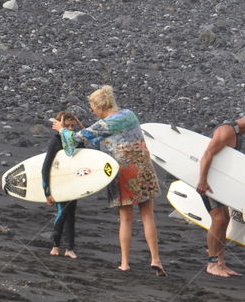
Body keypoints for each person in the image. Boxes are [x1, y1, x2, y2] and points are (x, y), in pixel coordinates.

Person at [55, 86, 166, 275]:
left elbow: (75, 139)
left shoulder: (104, 124)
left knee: (126, 218)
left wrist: (62, 130)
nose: (92, 111)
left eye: (92, 107)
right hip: (144, 167)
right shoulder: (129, 115)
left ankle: (125, 263)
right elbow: (101, 137)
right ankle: (156, 259)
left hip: (123, 172)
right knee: (148, 216)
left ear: (101, 106)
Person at [196, 109, 245, 278]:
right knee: (218, 220)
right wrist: (203, 180)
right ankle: (212, 263)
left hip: (219, 185)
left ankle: (220, 263)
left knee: (225, 220)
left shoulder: (237, 133)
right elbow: (207, 154)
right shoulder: (226, 131)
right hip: (208, 183)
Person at [43, 111, 83, 259]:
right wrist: (47, 191)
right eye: (68, 125)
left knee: (71, 215)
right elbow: (45, 167)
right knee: (62, 213)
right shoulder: (56, 141)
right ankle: (55, 246)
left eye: (73, 125)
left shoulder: (78, 141)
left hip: (73, 184)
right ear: (61, 125)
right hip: (59, 184)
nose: (71, 128)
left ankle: (70, 249)